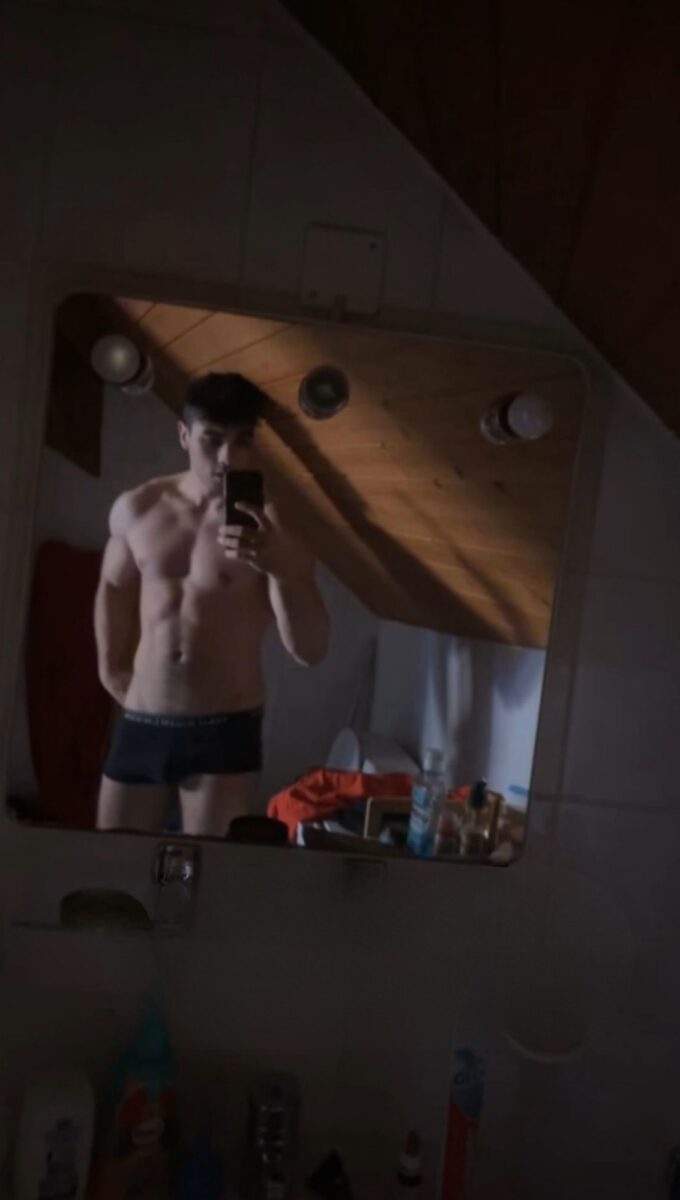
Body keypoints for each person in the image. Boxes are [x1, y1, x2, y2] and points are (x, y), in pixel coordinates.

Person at [94, 372, 330, 836]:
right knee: (112, 864)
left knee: (201, 873)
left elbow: (310, 650)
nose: (227, 457)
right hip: (142, 718)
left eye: (242, 441)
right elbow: (113, 585)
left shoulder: (275, 526)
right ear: (185, 435)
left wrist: (280, 567)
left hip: (223, 728)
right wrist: (109, 666)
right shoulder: (139, 508)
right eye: (213, 440)